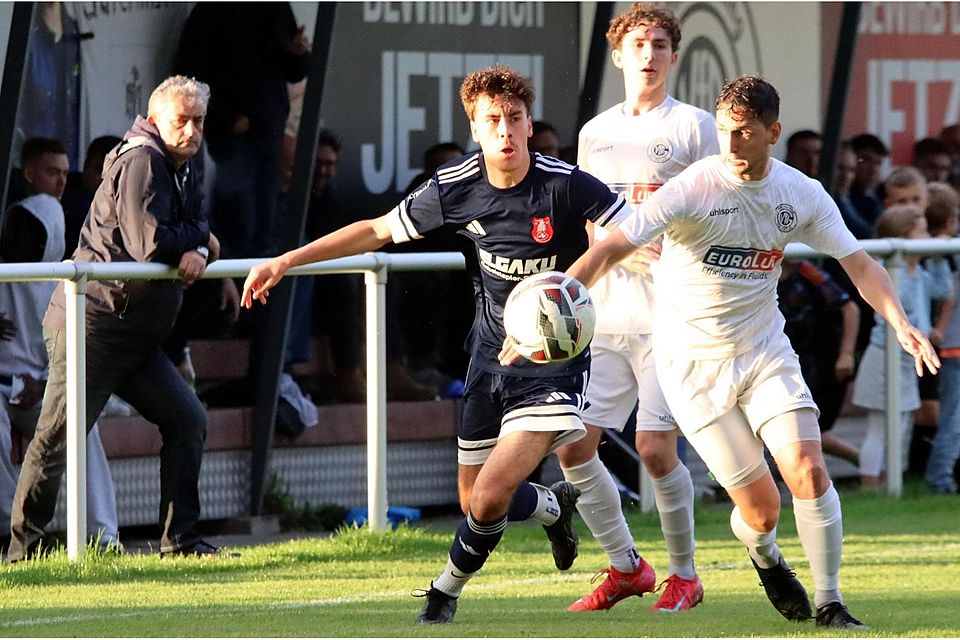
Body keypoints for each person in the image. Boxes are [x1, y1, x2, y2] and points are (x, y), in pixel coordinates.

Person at [242, 65, 629, 624]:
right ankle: (552, 506)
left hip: (554, 362)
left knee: (492, 493)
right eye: (493, 120)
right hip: (490, 359)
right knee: (475, 499)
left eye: (515, 119)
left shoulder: (563, 183)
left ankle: (443, 593)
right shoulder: (456, 187)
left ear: (527, 123)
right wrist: (287, 261)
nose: (506, 131)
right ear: (474, 125)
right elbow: (375, 230)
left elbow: (622, 235)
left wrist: (569, 287)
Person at [554, 75, 940, 629]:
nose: (730, 144)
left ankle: (831, 603)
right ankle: (765, 554)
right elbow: (612, 246)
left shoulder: (800, 192)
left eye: (744, 133)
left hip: (764, 352)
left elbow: (859, 262)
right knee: (761, 511)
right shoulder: (693, 186)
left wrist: (899, 320)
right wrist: (559, 299)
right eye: (724, 131)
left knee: (808, 468)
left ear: (772, 133)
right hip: (691, 366)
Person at [7, 75, 232, 561]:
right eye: (181, 121)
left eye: (198, 122)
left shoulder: (184, 163)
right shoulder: (142, 159)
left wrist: (198, 241)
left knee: (187, 417)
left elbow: (191, 229)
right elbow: (149, 243)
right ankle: (23, 553)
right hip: (94, 326)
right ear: (154, 121)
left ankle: (181, 542)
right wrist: (199, 241)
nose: (192, 131)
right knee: (58, 436)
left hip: (133, 333)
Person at [556, 3, 718, 614]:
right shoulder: (596, 132)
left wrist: (665, 243)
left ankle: (685, 575)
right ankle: (627, 567)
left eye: (659, 44)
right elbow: (590, 217)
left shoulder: (695, 126)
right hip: (605, 315)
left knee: (654, 449)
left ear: (674, 57)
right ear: (618, 55)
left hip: (669, 313)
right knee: (573, 445)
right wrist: (607, 249)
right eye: (637, 44)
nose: (648, 54)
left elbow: (713, 209)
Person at [0, 195, 121, 556]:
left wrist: (45, 383)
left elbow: (73, 351)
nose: (22, 239)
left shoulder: (67, 280)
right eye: (16, 229)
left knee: (81, 425)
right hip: (2, 389)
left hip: (44, 389)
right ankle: (8, 527)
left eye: (33, 232)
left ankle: (101, 536)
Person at [172, 2, 310, 259]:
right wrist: (226, 118)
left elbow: (294, 70)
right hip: (233, 139)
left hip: (269, 134)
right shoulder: (210, 12)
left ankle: (259, 292)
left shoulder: (276, 8)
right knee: (238, 223)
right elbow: (186, 78)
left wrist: (297, 53)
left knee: (264, 229)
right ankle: (235, 288)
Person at [851, 205, 952, 487]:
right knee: (879, 427)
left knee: (902, 425)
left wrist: (939, 258)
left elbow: (943, 291)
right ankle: (870, 484)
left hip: (907, 361)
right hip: (884, 357)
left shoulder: (919, 272)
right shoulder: (888, 271)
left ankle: (890, 481)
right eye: (921, 232)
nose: (927, 236)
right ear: (904, 236)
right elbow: (903, 311)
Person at [777, 259, 860, 467]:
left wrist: (847, 353)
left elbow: (850, 308)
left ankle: (864, 464)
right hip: (776, 360)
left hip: (816, 360)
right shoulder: (756, 273)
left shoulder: (809, 273)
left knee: (808, 429)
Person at [924, 183, 960, 493]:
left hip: (947, 345)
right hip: (952, 349)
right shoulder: (945, 252)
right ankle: (940, 480)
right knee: (953, 421)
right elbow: (945, 295)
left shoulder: (937, 250)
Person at [61, 135, 123, 257]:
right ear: (85, 166)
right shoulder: (70, 199)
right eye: (99, 170)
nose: (103, 179)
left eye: (112, 173)